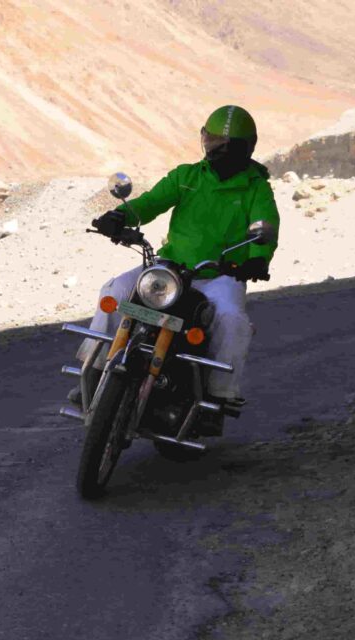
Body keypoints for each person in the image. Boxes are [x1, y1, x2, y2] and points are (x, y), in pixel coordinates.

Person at [71, 105, 279, 432]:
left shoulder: (255, 187)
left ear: (243, 148)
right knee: (115, 293)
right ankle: (94, 370)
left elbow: (264, 225)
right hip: (169, 269)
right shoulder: (187, 176)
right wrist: (121, 217)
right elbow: (151, 202)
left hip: (220, 275)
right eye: (211, 141)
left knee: (232, 320)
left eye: (225, 144)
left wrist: (256, 258)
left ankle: (217, 398)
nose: (215, 149)